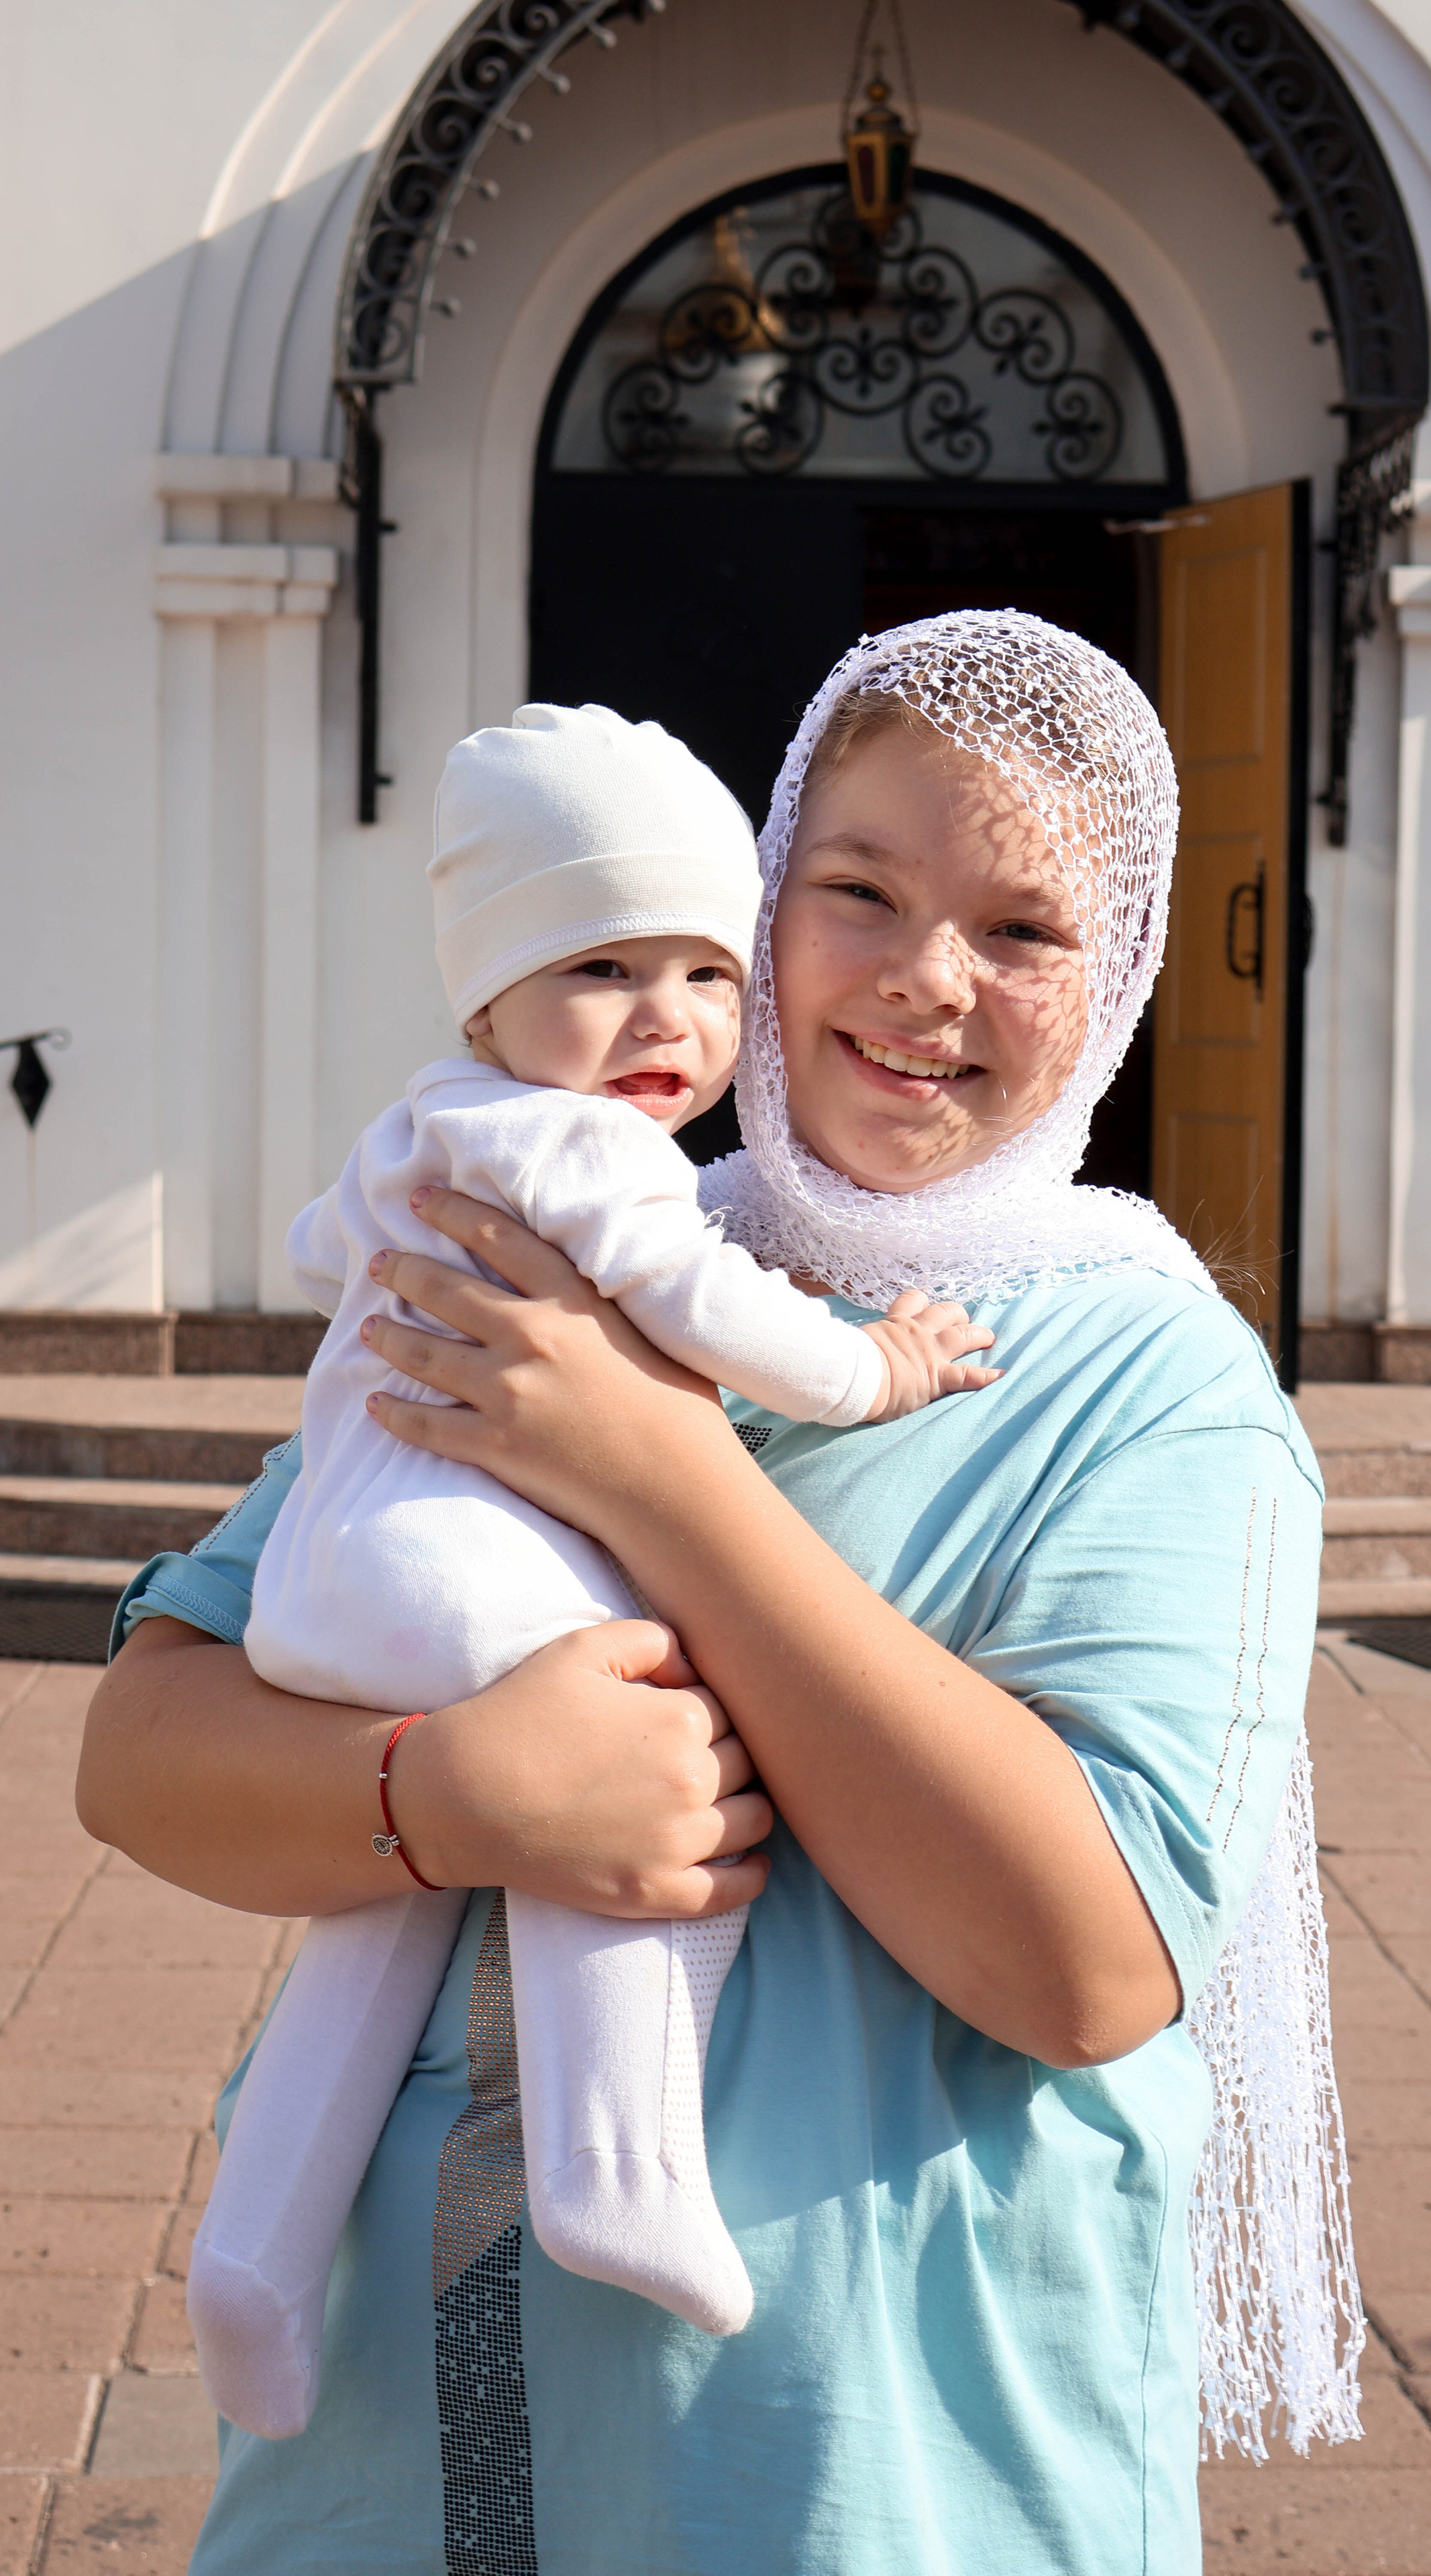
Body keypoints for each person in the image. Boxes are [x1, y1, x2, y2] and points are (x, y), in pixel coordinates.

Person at [78, 611, 1359, 2576]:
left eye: (1024, 931)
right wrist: (447, 1794)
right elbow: (147, 1745)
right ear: (757, 913)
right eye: (858, 892)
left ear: (1120, 988)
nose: (929, 979)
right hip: (385, 2462)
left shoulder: (1159, 1396)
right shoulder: (540, 1255)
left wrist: (662, 1475)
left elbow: (1082, 1962)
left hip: (862, 2472)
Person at [191, 702, 999, 2447]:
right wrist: (884, 1371)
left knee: (378, 1916)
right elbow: (714, 1313)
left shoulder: (434, 1118)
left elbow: (327, 1247)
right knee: (645, 1766)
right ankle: (618, 2165)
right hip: (481, 1587)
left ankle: (254, 2250)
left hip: (344, 1583)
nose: (671, 1020)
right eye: (602, 965)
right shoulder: (594, 1149)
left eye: (710, 973)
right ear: (486, 996)